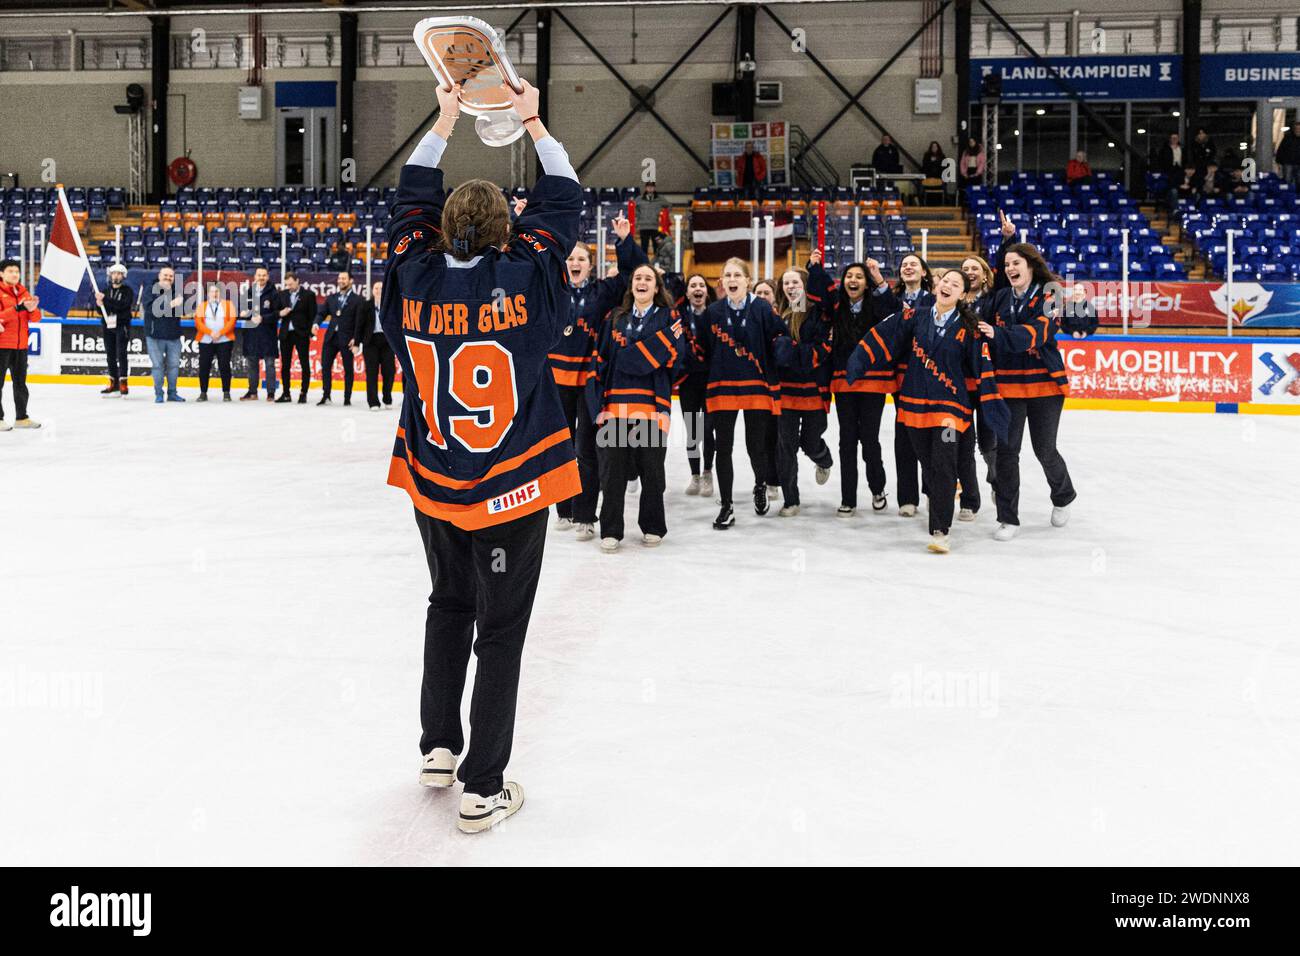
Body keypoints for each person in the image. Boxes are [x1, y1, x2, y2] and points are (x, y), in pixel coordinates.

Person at [382, 79, 582, 834]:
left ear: (438, 232)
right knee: (500, 629)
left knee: (448, 605)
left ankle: (439, 747)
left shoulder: (410, 272)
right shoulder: (528, 275)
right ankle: (482, 785)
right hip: (512, 489)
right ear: (508, 230)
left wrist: (445, 117)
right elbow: (561, 194)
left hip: (435, 483)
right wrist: (530, 119)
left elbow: (408, 200)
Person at [846, 268, 1008, 553]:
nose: (947, 286)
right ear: (936, 286)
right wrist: (857, 362)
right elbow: (884, 334)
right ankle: (947, 493)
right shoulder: (915, 316)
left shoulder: (970, 327)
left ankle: (940, 530)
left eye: (955, 284)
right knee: (929, 464)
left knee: (943, 463)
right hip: (913, 407)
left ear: (962, 294)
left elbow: (982, 369)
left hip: (949, 411)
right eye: (945, 281)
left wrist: (992, 407)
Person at [547, 210, 643, 539]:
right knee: (559, 447)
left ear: (591, 264)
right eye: (570, 258)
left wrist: (625, 240)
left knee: (587, 449)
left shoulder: (602, 292)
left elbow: (635, 272)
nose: (575, 263)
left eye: (581, 259)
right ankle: (563, 507)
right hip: (555, 382)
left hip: (589, 382)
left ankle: (585, 515)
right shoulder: (554, 289)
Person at [982, 243, 1078, 541]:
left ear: (1031, 265)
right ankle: (1008, 518)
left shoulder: (1051, 295)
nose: (1010, 268)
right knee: (1007, 452)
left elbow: (1038, 333)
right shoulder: (999, 298)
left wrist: (998, 334)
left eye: (1016, 262)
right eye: (1007, 263)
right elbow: (977, 327)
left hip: (1045, 386)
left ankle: (1063, 495)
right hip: (1008, 385)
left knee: (1044, 449)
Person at [588, 263, 683, 551]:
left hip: (652, 410)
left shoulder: (670, 316)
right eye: (637, 277)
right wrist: (597, 407)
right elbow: (601, 363)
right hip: (615, 408)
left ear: (657, 287)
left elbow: (678, 359)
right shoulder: (615, 319)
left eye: (648, 278)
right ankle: (611, 529)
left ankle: (653, 525)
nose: (642, 282)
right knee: (612, 472)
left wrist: (631, 357)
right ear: (631, 286)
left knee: (653, 471)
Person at [699, 256, 786, 527]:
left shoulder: (761, 308)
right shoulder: (712, 312)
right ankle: (727, 505)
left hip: (756, 385)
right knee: (723, 447)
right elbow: (706, 348)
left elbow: (779, 338)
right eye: (728, 275)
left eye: (738, 275)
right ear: (722, 281)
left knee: (755, 445)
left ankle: (760, 484)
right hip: (722, 386)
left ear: (748, 281)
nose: (732, 280)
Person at [808, 254, 889, 516]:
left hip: (872, 384)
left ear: (867, 284)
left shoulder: (876, 307)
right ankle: (848, 498)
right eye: (849, 276)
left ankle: (877, 488)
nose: (853, 280)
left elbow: (896, 311)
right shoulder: (836, 308)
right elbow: (816, 293)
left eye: (859, 277)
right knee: (846, 441)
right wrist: (815, 267)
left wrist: (879, 279)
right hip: (843, 383)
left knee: (869, 440)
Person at [772, 261, 833, 516]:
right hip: (785, 392)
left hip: (813, 392)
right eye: (786, 282)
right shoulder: (778, 316)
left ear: (805, 285)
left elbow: (822, 349)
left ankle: (824, 459)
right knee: (786, 446)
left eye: (795, 281)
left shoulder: (818, 313)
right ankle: (791, 499)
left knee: (810, 442)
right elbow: (775, 352)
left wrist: (793, 353)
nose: (790, 286)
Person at [675, 272, 716, 496]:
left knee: (708, 429)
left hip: (710, 381)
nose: (698, 288)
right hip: (688, 381)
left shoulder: (715, 314)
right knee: (693, 431)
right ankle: (695, 475)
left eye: (702, 285)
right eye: (693, 285)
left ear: (706, 292)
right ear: (688, 292)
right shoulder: (679, 316)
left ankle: (708, 472)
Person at [0, 258, 40, 430]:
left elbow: (36, 318)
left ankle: (21, 417)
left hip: (20, 346)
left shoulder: (24, 292)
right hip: (2, 345)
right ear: (2, 274)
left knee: (20, 384)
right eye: (10, 271)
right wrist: (17, 308)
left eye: (17, 271)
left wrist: (31, 309)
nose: (15, 274)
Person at [140, 265, 186, 404]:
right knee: (158, 366)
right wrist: (171, 304)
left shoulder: (177, 291)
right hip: (154, 336)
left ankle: (172, 393)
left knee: (173, 366)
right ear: (159, 276)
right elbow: (151, 310)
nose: (168, 278)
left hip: (173, 336)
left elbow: (182, 311)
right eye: (165, 275)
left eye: (171, 276)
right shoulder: (150, 290)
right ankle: (159, 394)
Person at [317, 271, 361, 406]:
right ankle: (326, 395)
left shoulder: (358, 300)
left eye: (344, 278)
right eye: (339, 278)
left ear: (350, 281)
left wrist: (356, 338)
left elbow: (360, 321)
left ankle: (347, 398)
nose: (341, 280)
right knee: (325, 367)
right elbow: (322, 313)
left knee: (348, 369)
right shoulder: (332, 298)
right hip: (331, 338)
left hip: (347, 339)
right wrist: (315, 323)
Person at [239, 266, 279, 401]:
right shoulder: (248, 293)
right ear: (254, 277)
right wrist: (244, 314)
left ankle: (271, 393)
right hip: (251, 334)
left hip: (268, 334)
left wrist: (263, 318)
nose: (261, 278)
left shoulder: (274, 293)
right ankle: (252, 392)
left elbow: (277, 314)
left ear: (267, 277)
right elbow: (243, 311)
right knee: (252, 364)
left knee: (269, 364)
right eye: (258, 275)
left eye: (264, 275)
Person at [95, 262, 135, 397]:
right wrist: (99, 304)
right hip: (107, 325)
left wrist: (105, 300)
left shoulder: (127, 291)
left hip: (121, 325)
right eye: (113, 273)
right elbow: (101, 311)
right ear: (110, 275)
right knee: (110, 354)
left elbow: (122, 306)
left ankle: (123, 381)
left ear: (123, 276)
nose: (116, 276)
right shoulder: (105, 291)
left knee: (121, 353)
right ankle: (113, 382)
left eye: (119, 273)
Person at [275, 273, 316, 404]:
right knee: (285, 365)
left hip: (301, 334)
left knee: (305, 364)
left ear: (297, 281)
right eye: (287, 284)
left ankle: (303, 393)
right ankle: (286, 393)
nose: (289, 286)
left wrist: (309, 333)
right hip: (286, 334)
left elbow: (313, 315)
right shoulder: (282, 294)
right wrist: (281, 313)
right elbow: (276, 311)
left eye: (291, 284)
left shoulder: (308, 295)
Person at [355, 279, 395, 410]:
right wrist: (356, 343)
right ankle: (373, 402)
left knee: (389, 371)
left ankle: (387, 397)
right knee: (372, 373)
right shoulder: (366, 305)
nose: (379, 291)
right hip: (370, 342)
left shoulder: (390, 305)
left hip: (387, 341)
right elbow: (359, 325)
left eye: (381, 288)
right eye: (376, 288)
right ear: (372, 290)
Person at [194, 281, 237, 402]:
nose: (214, 294)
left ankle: (226, 392)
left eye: (217, 291)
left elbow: (232, 321)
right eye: (212, 291)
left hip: (224, 340)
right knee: (204, 367)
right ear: (208, 294)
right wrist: (210, 332)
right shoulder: (202, 306)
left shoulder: (229, 305)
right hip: (206, 341)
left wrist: (220, 332)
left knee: (224, 366)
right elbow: (198, 322)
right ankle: (203, 392)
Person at [634, 181, 669, 254]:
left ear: (654, 188)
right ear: (646, 188)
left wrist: (662, 214)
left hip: (655, 226)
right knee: (644, 247)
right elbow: (633, 208)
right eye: (648, 187)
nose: (650, 188)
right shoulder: (639, 199)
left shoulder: (660, 199)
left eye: (652, 187)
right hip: (643, 226)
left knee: (656, 247)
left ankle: (656, 263)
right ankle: (644, 263)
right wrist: (639, 215)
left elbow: (669, 206)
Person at [1277, 120, 1300, 187]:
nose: (1298, 130)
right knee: (1287, 180)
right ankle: (1288, 196)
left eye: (1299, 129)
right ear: (1294, 129)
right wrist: (1279, 161)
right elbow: (1281, 149)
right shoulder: (1288, 138)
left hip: (1298, 163)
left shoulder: (1287, 137)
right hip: (1288, 163)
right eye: (1296, 129)